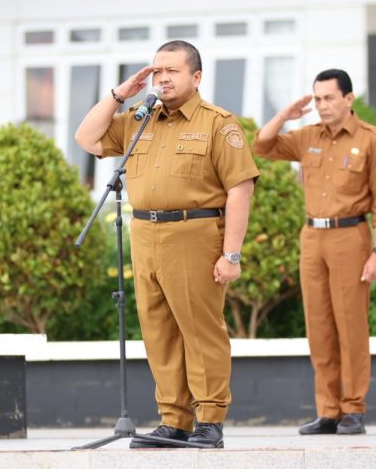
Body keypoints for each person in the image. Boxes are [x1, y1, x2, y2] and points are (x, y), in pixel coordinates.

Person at [75, 40, 259, 448]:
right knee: (158, 330)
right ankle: (173, 419)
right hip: (144, 233)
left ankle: (209, 420)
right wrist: (120, 94)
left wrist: (231, 254)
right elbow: (86, 137)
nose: (162, 78)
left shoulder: (218, 123)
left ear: (196, 77)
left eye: (172, 71)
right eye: (157, 71)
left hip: (193, 233)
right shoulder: (141, 119)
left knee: (200, 329)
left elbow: (240, 190)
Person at [253, 69, 376, 435]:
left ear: (348, 99)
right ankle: (328, 411)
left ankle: (353, 410)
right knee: (319, 328)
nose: (322, 105)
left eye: (329, 98)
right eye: (317, 99)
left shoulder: (372, 141)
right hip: (312, 238)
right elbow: (262, 145)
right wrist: (286, 114)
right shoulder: (307, 137)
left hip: (351, 237)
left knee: (351, 326)